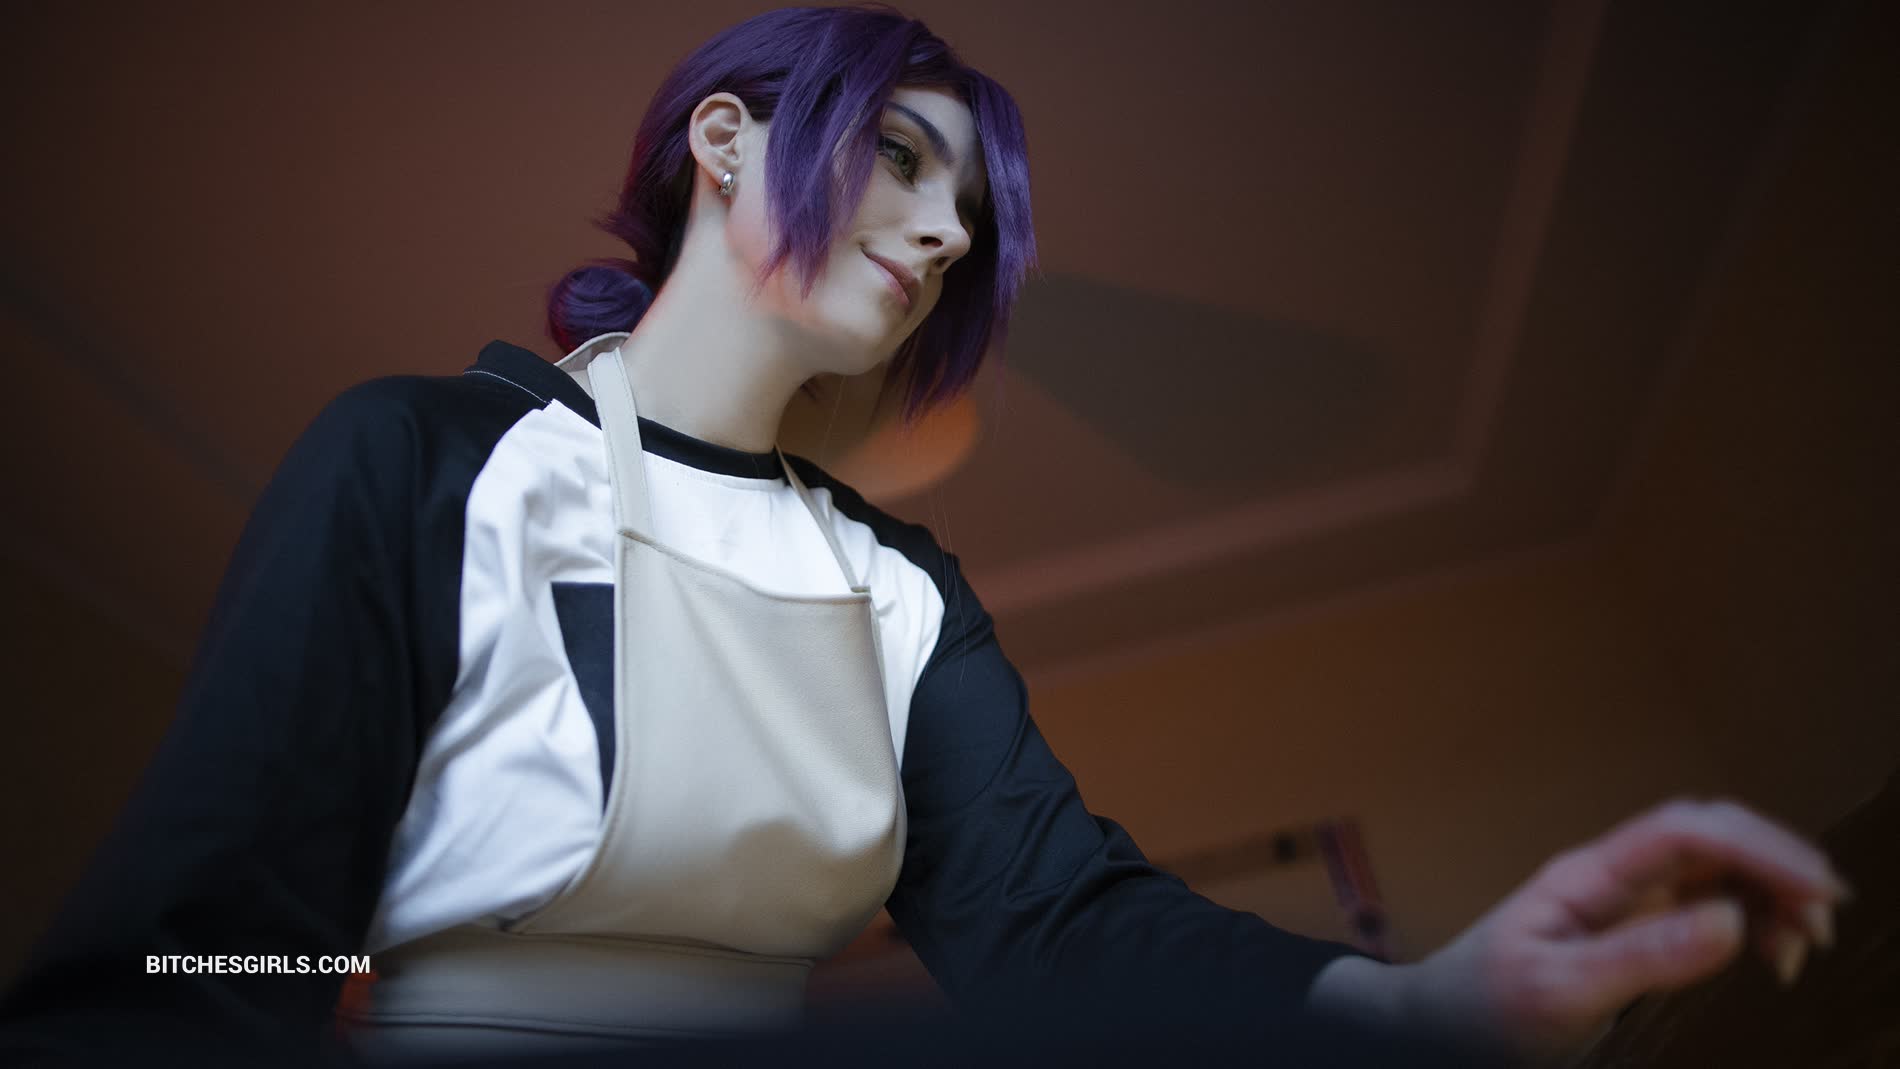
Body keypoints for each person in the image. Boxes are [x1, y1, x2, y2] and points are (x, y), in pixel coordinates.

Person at [0, 6, 1850, 1067]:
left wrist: (1423, 1002)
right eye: (900, 156)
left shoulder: (899, 592)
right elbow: (190, 958)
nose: (950, 230)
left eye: (970, 207)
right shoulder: (422, 463)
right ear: (724, 143)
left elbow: (1060, 927)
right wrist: (314, 988)